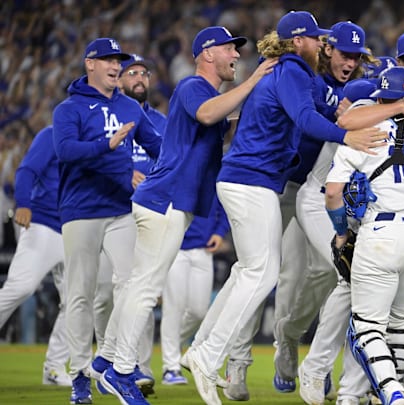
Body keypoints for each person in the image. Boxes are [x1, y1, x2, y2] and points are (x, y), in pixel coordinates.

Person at [179, 11, 386, 405]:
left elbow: (313, 114)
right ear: (298, 42)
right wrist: (348, 134)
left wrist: (343, 116)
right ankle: (210, 356)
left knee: (249, 270)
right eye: (315, 39)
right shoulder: (292, 69)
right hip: (251, 180)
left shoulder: (287, 71)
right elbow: (307, 120)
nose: (321, 45)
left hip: (249, 179)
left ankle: (200, 347)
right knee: (263, 272)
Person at [97, 26, 275, 405]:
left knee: (138, 287)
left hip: (171, 200)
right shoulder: (194, 87)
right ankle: (121, 370)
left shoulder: (208, 94)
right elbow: (210, 115)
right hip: (165, 199)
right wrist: (255, 81)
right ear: (207, 53)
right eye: (230, 49)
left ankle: (107, 360)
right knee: (144, 290)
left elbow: (220, 122)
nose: (236, 57)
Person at [52, 37, 163, 405]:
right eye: (109, 60)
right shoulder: (70, 109)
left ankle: (108, 358)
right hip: (80, 209)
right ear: (90, 64)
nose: (117, 66)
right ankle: (81, 375)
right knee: (79, 295)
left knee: (133, 284)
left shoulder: (131, 106)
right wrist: (107, 145)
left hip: (121, 207)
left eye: (120, 60)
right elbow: (65, 151)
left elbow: (158, 147)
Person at [327, 65, 404, 405]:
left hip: (379, 232)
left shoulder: (361, 132)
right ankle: (396, 390)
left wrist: (340, 234)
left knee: (367, 327)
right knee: (401, 324)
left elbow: (333, 192)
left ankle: (392, 395)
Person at [270, 20, 375, 394]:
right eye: (345, 54)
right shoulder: (308, 79)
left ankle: (303, 345)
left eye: (357, 57)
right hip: (301, 186)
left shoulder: (365, 89)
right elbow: (305, 119)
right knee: (291, 272)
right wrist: (342, 119)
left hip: (340, 197)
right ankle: (284, 342)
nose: (350, 62)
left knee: (330, 275)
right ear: (328, 48)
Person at [90, 53, 168, 398]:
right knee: (105, 295)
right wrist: (124, 175)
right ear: (118, 80)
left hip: (145, 216)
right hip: (108, 211)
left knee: (138, 290)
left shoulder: (162, 122)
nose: (138, 77)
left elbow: (169, 156)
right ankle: (106, 360)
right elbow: (88, 158)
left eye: (143, 73)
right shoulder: (107, 116)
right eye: (130, 72)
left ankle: (135, 366)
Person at [0, 126, 70, 387]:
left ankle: (54, 368)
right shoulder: (53, 133)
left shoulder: (97, 142)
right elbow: (27, 169)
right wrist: (24, 203)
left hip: (76, 229)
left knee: (77, 302)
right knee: (20, 287)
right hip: (42, 223)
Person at [160, 196, 229, 385]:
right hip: (176, 248)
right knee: (174, 308)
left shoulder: (214, 171)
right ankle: (170, 366)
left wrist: (220, 231)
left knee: (199, 311)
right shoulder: (177, 168)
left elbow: (224, 204)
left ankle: (171, 346)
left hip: (204, 249)